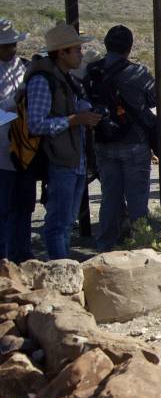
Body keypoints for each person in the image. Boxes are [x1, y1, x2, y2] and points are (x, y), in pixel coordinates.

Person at [24, 22, 101, 259]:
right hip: (59, 160)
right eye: (76, 50)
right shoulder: (42, 81)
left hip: (72, 159)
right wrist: (76, 119)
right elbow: (36, 124)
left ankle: (63, 267)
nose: (80, 53)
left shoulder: (65, 79)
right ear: (62, 52)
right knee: (58, 223)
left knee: (66, 221)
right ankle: (60, 269)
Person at [84, 25, 158, 252]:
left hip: (103, 140)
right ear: (129, 47)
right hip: (134, 140)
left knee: (110, 198)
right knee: (137, 200)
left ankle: (105, 245)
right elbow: (154, 99)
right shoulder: (137, 72)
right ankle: (143, 247)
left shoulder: (92, 70)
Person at [0, 19, 34, 261]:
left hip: (25, 149)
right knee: (3, 209)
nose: (12, 49)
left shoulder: (21, 67)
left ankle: (21, 256)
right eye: (7, 45)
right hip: (2, 152)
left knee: (24, 206)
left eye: (13, 44)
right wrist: (14, 102)